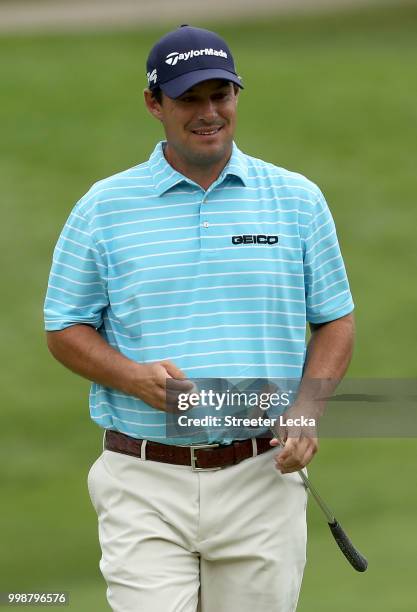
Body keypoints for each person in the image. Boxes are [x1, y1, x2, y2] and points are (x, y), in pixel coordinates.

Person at [44, 24, 355, 612]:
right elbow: (64, 328)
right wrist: (131, 377)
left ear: (238, 96)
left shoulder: (297, 199)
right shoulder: (103, 207)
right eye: (189, 98)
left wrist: (308, 409)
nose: (208, 113)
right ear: (154, 104)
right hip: (143, 477)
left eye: (221, 95)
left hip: (262, 475)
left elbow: (335, 320)